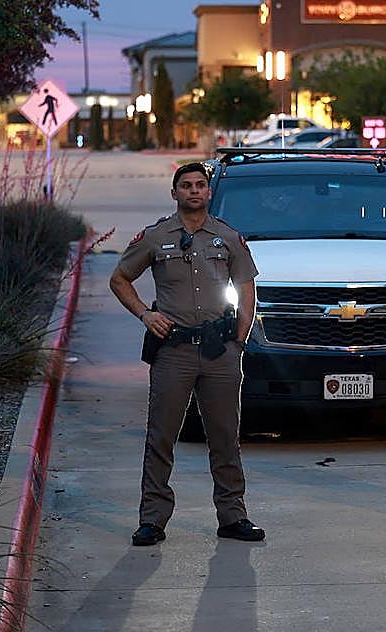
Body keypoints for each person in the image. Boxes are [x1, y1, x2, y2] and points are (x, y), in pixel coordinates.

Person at [109, 162, 265, 546]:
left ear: (209, 192)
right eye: (186, 185)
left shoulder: (228, 237)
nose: (194, 190)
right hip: (173, 351)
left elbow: (247, 289)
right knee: (161, 437)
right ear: (174, 193)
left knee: (225, 437)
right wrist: (145, 314)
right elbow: (120, 279)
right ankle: (152, 520)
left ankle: (233, 516)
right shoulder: (155, 237)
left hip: (219, 351)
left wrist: (239, 341)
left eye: (200, 185)